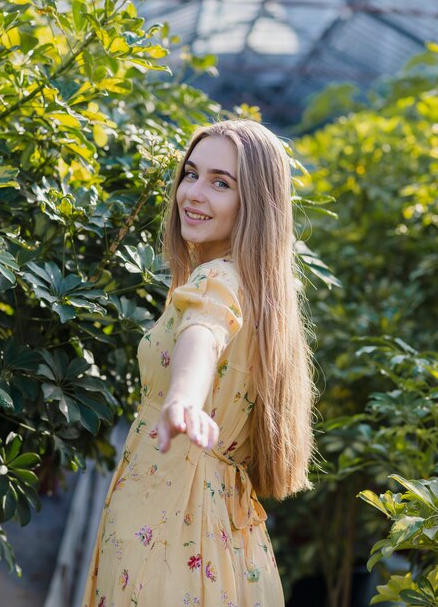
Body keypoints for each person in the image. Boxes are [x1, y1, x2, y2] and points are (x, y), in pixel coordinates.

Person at [81, 119, 316, 607]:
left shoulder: (219, 279)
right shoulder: (262, 293)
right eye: (191, 174)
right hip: (221, 533)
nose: (193, 193)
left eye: (221, 183)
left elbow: (203, 334)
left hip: (166, 518)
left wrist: (183, 399)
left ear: (255, 203)